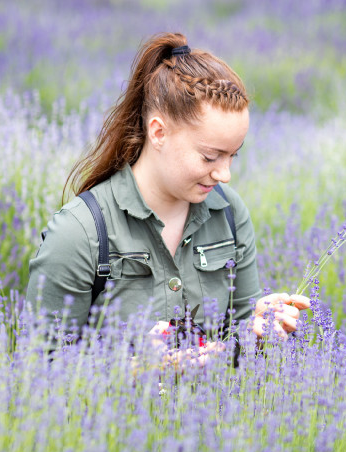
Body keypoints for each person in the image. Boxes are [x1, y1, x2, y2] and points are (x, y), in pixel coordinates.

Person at [25, 32, 309, 348]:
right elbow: (40, 367)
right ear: (158, 132)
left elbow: (238, 347)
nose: (224, 174)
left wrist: (257, 328)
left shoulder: (229, 213)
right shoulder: (79, 232)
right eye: (210, 156)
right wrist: (136, 369)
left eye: (233, 155)